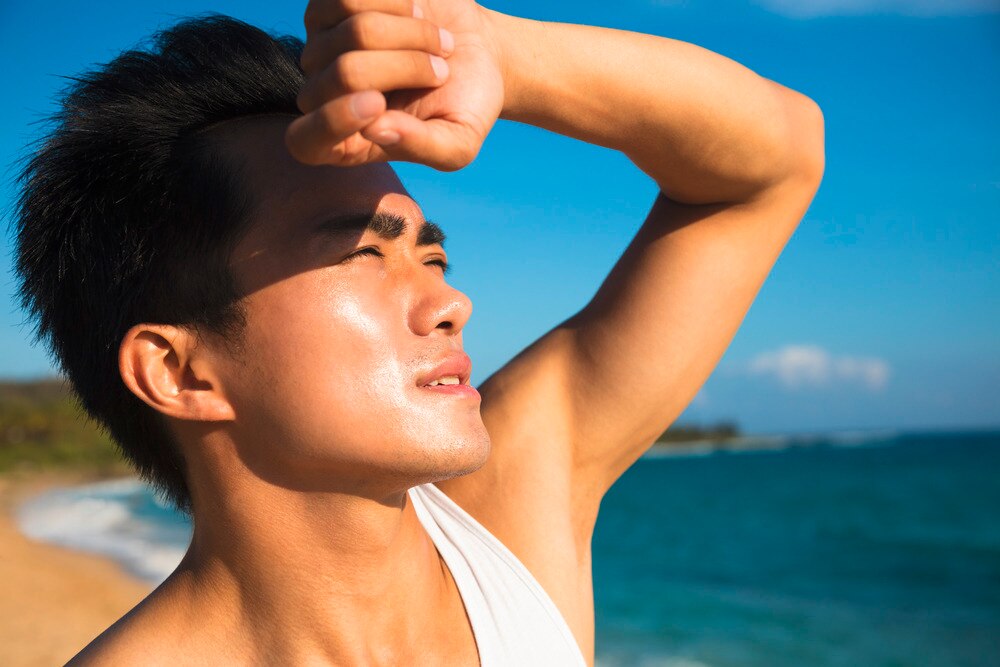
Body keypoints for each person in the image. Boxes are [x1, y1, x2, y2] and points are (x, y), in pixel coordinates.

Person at [13, 1, 824, 664]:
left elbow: (772, 162)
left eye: (431, 253)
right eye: (366, 252)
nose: (451, 301)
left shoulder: (507, 530)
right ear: (179, 371)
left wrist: (492, 52)